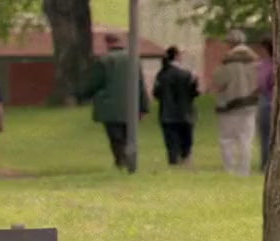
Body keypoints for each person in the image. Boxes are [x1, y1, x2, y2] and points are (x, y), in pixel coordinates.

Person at [75, 33, 149, 171]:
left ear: (107, 43)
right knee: (128, 135)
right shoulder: (134, 59)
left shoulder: (104, 60)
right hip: (130, 105)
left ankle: (121, 161)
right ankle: (130, 160)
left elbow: (95, 83)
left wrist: (81, 95)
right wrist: (144, 107)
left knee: (116, 136)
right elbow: (140, 84)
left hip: (110, 106)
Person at [210, 29, 260, 176]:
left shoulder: (226, 65)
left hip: (228, 106)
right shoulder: (255, 65)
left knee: (227, 139)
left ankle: (229, 169)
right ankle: (244, 170)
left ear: (230, 44)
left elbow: (218, 82)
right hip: (249, 106)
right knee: (246, 139)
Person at [152, 46, 200, 167]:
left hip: (167, 114)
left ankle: (173, 163)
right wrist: (195, 82)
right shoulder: (186, 75)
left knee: (171, 144)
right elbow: (194, 93)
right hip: (185, 113)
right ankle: (185, 161)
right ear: (177, 56)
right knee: (186, 143)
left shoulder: (162, 74)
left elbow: (156, 94)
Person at [255, 36, 274, 171]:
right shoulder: (265, 64)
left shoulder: (268, 65)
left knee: (266, 134)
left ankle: (266, 162)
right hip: (268, 100)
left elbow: (263, 84)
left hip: (268, 101)